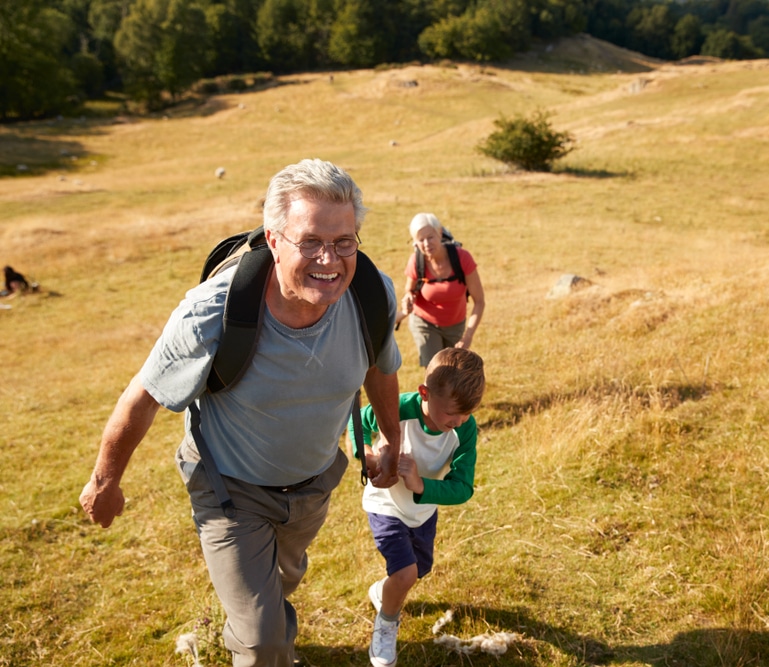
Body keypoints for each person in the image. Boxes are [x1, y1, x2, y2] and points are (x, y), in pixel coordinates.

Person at [79, 158, 404, 667]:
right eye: (311, 241)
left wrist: (391, 441)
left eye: (345, 242)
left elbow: (380, 371)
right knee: (260, 640)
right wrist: (105, 481)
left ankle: (262, 630)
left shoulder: (372, 296)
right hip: (230, 489)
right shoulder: (213, 311)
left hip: (314, 484)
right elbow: (141, 397)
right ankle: (263, 644)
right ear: (274, 240)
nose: (330, 259)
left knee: (278, 589)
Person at [350, 347, 485, 667]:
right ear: (425, 393)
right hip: (385, 504)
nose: (459, 421)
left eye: (466, 414)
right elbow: (357, 423)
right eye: (452, 413)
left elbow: (463, 487)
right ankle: (386, 625)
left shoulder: (464, 429)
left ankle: (384, 591)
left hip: (421, 511)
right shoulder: (395, 407)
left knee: (418, 570)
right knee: (406, 572)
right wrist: (367, 454)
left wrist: (422, 486)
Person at [396, 213, 485, 367]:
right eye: (420, 240)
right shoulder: (416, 261)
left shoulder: (462, 258)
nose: (426, 243)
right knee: (435, 369)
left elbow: (479, 301)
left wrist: (468, 336)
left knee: (454, 370)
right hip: (425, 322)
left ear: (440, 233)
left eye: (430, 237)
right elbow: (409, 290)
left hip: (455, 324)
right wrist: (408, 298)